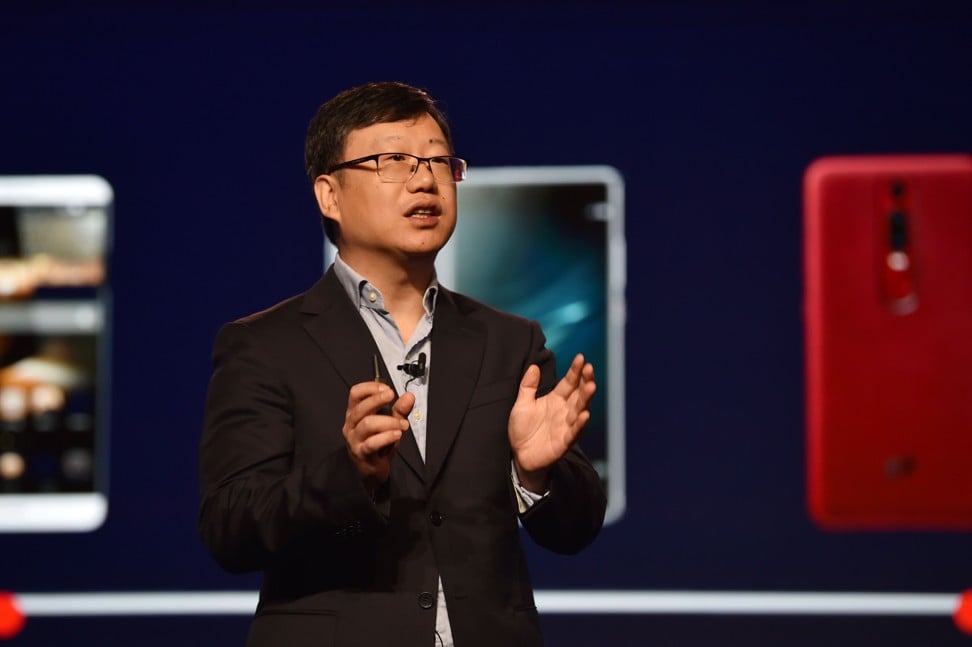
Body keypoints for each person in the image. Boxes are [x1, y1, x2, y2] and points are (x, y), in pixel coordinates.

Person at [198, 81, 606, 647]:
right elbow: (230, 530)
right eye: (394, 160)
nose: (425, 179)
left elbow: (575, 530)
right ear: (329, 195)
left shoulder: (511, 342)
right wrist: (351, 475)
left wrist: (533, 475)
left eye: (440, 161)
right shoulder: (265, 345)